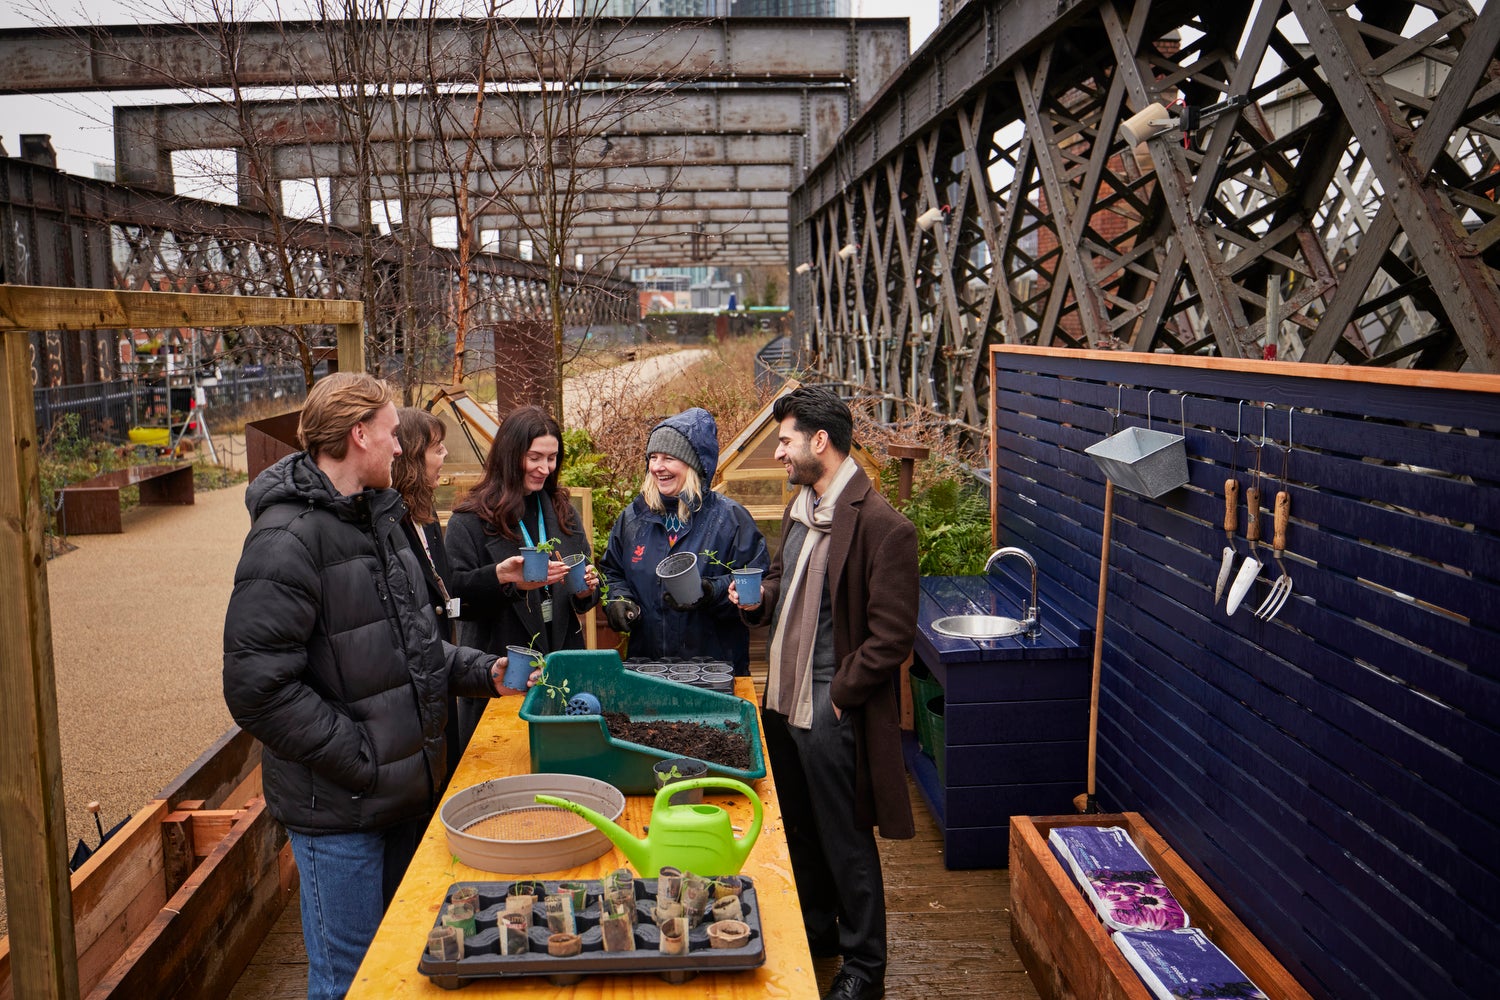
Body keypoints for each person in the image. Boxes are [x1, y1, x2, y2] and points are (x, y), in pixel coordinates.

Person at [222, 372, 531, 1000]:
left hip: (397, 797)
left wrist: (480, 671)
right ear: (358, 435)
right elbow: (256, 688)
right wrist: (361, 758)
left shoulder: (379, 521)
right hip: (340, 813)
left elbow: (410, 647)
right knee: (347, 982)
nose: (401, 448)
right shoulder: (285, 540)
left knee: (398, 972)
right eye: (392, 435)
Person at [732, 386, 918, 1000]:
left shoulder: (884, 527)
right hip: (782, 701)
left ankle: (865, 966)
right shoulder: (803, 509)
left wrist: (840, 693)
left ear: (820, 442)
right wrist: (755, 604)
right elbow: (782, 587)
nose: (779, 452)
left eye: (785, 441)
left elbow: (891, 639)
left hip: (830, 706)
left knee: (844, 837)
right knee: (803, 830)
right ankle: (818, 932)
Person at [445, 404, 599, 746]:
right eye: (534, 457)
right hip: (502, 678)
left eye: (552, 458)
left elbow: (583, 601)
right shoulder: (468, 521)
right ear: (510, 455)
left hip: (561, 673)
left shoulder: (562, 512)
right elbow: (454, 601)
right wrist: (502, 579)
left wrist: (587, 590)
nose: (545, 468)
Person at [598, 407, 769, 675]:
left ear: (693, 465)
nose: (657, 467)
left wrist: (711, 592)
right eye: (653, 457)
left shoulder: (730, 519)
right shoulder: (633, 518)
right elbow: (612, 571)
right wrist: (619, 599)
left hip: (715, 675)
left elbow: (753, 583)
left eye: (668, 458)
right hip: (649, 674)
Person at [391, 407, 464, 781]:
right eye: (437, 448)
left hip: (441, 676)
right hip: (415, 694)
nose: (445, 455)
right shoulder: (390, 526)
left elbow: (446, 587)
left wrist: (498, 576)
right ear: (412, 457)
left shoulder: (427, 515)